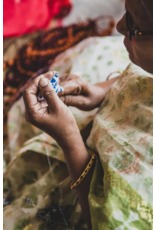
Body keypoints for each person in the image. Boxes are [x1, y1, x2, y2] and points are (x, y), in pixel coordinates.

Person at [3, 0, 153, 229]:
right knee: (93, 52)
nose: (120, 26)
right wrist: (100, 91)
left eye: (133, 24)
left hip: (81, 201)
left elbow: (104, 219)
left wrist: (69, 139)